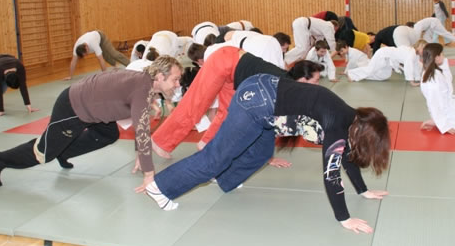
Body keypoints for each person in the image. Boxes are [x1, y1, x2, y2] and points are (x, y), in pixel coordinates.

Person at [142, 74, 391, 234]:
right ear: (362, 134)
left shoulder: (349, 119)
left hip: (264, 98)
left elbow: (346, 155)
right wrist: (344, 219)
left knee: (261, 153)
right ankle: (159, 187)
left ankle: (225, 180)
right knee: (213, 160)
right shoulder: (336, 125)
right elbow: (331, 175)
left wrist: (363, 190)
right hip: (257, 103)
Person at [0, 56, 183, 189]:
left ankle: (64, 151)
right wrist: (149, 175)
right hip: (73, 108)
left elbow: (139, 123)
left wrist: (141, 153)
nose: (178, 84)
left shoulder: (145, 83)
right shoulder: (142, 90)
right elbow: (142, 132)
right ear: (160, 77)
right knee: (43, 153)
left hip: (92, 107)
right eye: (175, 79)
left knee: (108, 134)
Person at [151, 44, 322, 158]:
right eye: (315, 81)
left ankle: (207, 143)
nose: (317, 86)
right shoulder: (284, 88)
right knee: (196, 104)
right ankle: (160, 142)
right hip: (224, 61)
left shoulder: (289, 89)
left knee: (228, 113)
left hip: (235, 75)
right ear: (302, 79)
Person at [347, 40, 427, 85]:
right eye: (423, 49)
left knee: (384, 75)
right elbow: (409, 67)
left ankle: (362, 76)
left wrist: (418, 78)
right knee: (370, 69)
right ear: (418, 47)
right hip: (383, 54)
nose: (424, 52)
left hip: (388, 59)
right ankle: (352, 74)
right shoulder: (411, 53)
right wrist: (412, 81)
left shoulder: (416, 55)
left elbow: (417, 66)